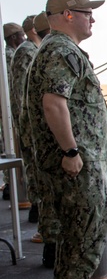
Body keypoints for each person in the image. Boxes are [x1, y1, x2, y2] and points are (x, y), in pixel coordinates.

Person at [27, 0, 107, 279]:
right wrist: (71, 152)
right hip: (76, 162)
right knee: (88, 227)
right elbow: (54, 103)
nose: (92, 18)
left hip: (78, 159)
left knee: (77, 228)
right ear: (67, 15)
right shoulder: (61, 51)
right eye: (86, 12)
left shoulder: (59, 50)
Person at [10, 12, 48, 226]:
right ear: (34, 30)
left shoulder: (32, 50)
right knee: (35, 166)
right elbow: (26, 90)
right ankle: (39, 211)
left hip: (29, 118)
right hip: (29, 120)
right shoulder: (27, 52)